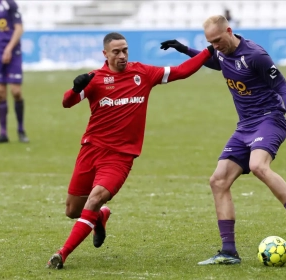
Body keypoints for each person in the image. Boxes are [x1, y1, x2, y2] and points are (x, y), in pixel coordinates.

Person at [46, 32, 214, 269]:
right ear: (105, 54)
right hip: (91, 150)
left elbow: (181, 71)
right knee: (73, 211)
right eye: (116, 51)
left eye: (125, 50)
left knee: (93, 199)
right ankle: (101, 216)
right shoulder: (94, 79)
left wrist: (209, 51)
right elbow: (67, 103)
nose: (122, 55)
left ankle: (61, 254)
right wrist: (75, 89)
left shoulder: (142, 73)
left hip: (120, 157)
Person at [160, 15, 286, 265]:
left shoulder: (256, 55)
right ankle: (229, 251)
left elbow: (285, 89)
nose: (215, 46)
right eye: (210, 42)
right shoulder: (220, 51)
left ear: (229, 31)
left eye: (218, 40)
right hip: (244, 126)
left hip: (269, 119)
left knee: (258, 166)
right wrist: (185, 50)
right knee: (218, 180)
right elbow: (218, 62)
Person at [0, 0, 28, 143]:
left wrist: (8, 49)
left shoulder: (9, 4)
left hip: (12, 53)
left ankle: (21, 129)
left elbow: (19, 28)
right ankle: (3, 133)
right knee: (0, 92)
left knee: (16, 91)